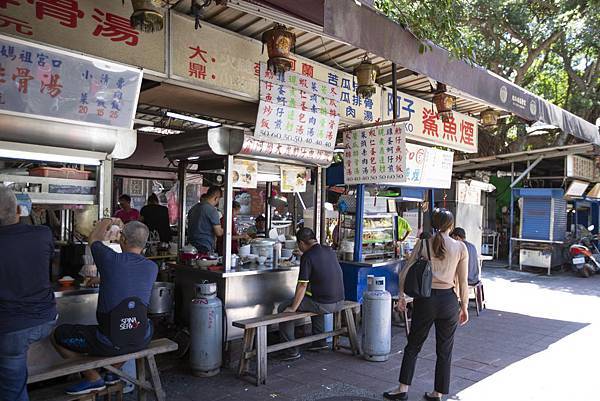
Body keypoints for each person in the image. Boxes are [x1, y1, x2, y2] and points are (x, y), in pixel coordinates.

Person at [52, 219, 157, 395]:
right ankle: (110, 372)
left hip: (109, 341)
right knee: (139, 331)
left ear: (122, 238)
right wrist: (101, 279)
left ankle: (93, 377)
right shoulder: (152, 267)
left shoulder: (111, 259)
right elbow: (130, 277)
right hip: (141, 338)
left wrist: (107, 221)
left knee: (57, 335)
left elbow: (93, 238)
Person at [384, 208, 468, 401]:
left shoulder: (424, 244)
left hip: (426, 300)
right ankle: (437, 393)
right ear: (451, 226)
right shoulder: (460, 248)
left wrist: (402, 296)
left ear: (434, 224)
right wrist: (464, 306)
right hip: (449, 302)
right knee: (445, 350)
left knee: (413, 345)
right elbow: (462, 282)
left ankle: (402, 389)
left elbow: (405, 270)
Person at [0, 186, 57, 401]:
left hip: (11, 330)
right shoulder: (42, 234)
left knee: (12, 390)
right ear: (18, 210)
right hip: (45, 319)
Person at [277, 228, 345, 361]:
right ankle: (319, 342)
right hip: (340, 300)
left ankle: (290, 350)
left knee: (283, 307)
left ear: (302, 243)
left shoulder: (307, 257)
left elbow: (302, 285)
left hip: (325, 304)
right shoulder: (329, 250)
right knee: (313, 299)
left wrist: (292, 308)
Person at [187, 186, 223, 253]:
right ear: (216, 198)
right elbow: (218, 232)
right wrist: (227, 231)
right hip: (204, 246)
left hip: (190, 247)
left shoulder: (193, 208)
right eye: (218, 200)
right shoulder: (212, 210)